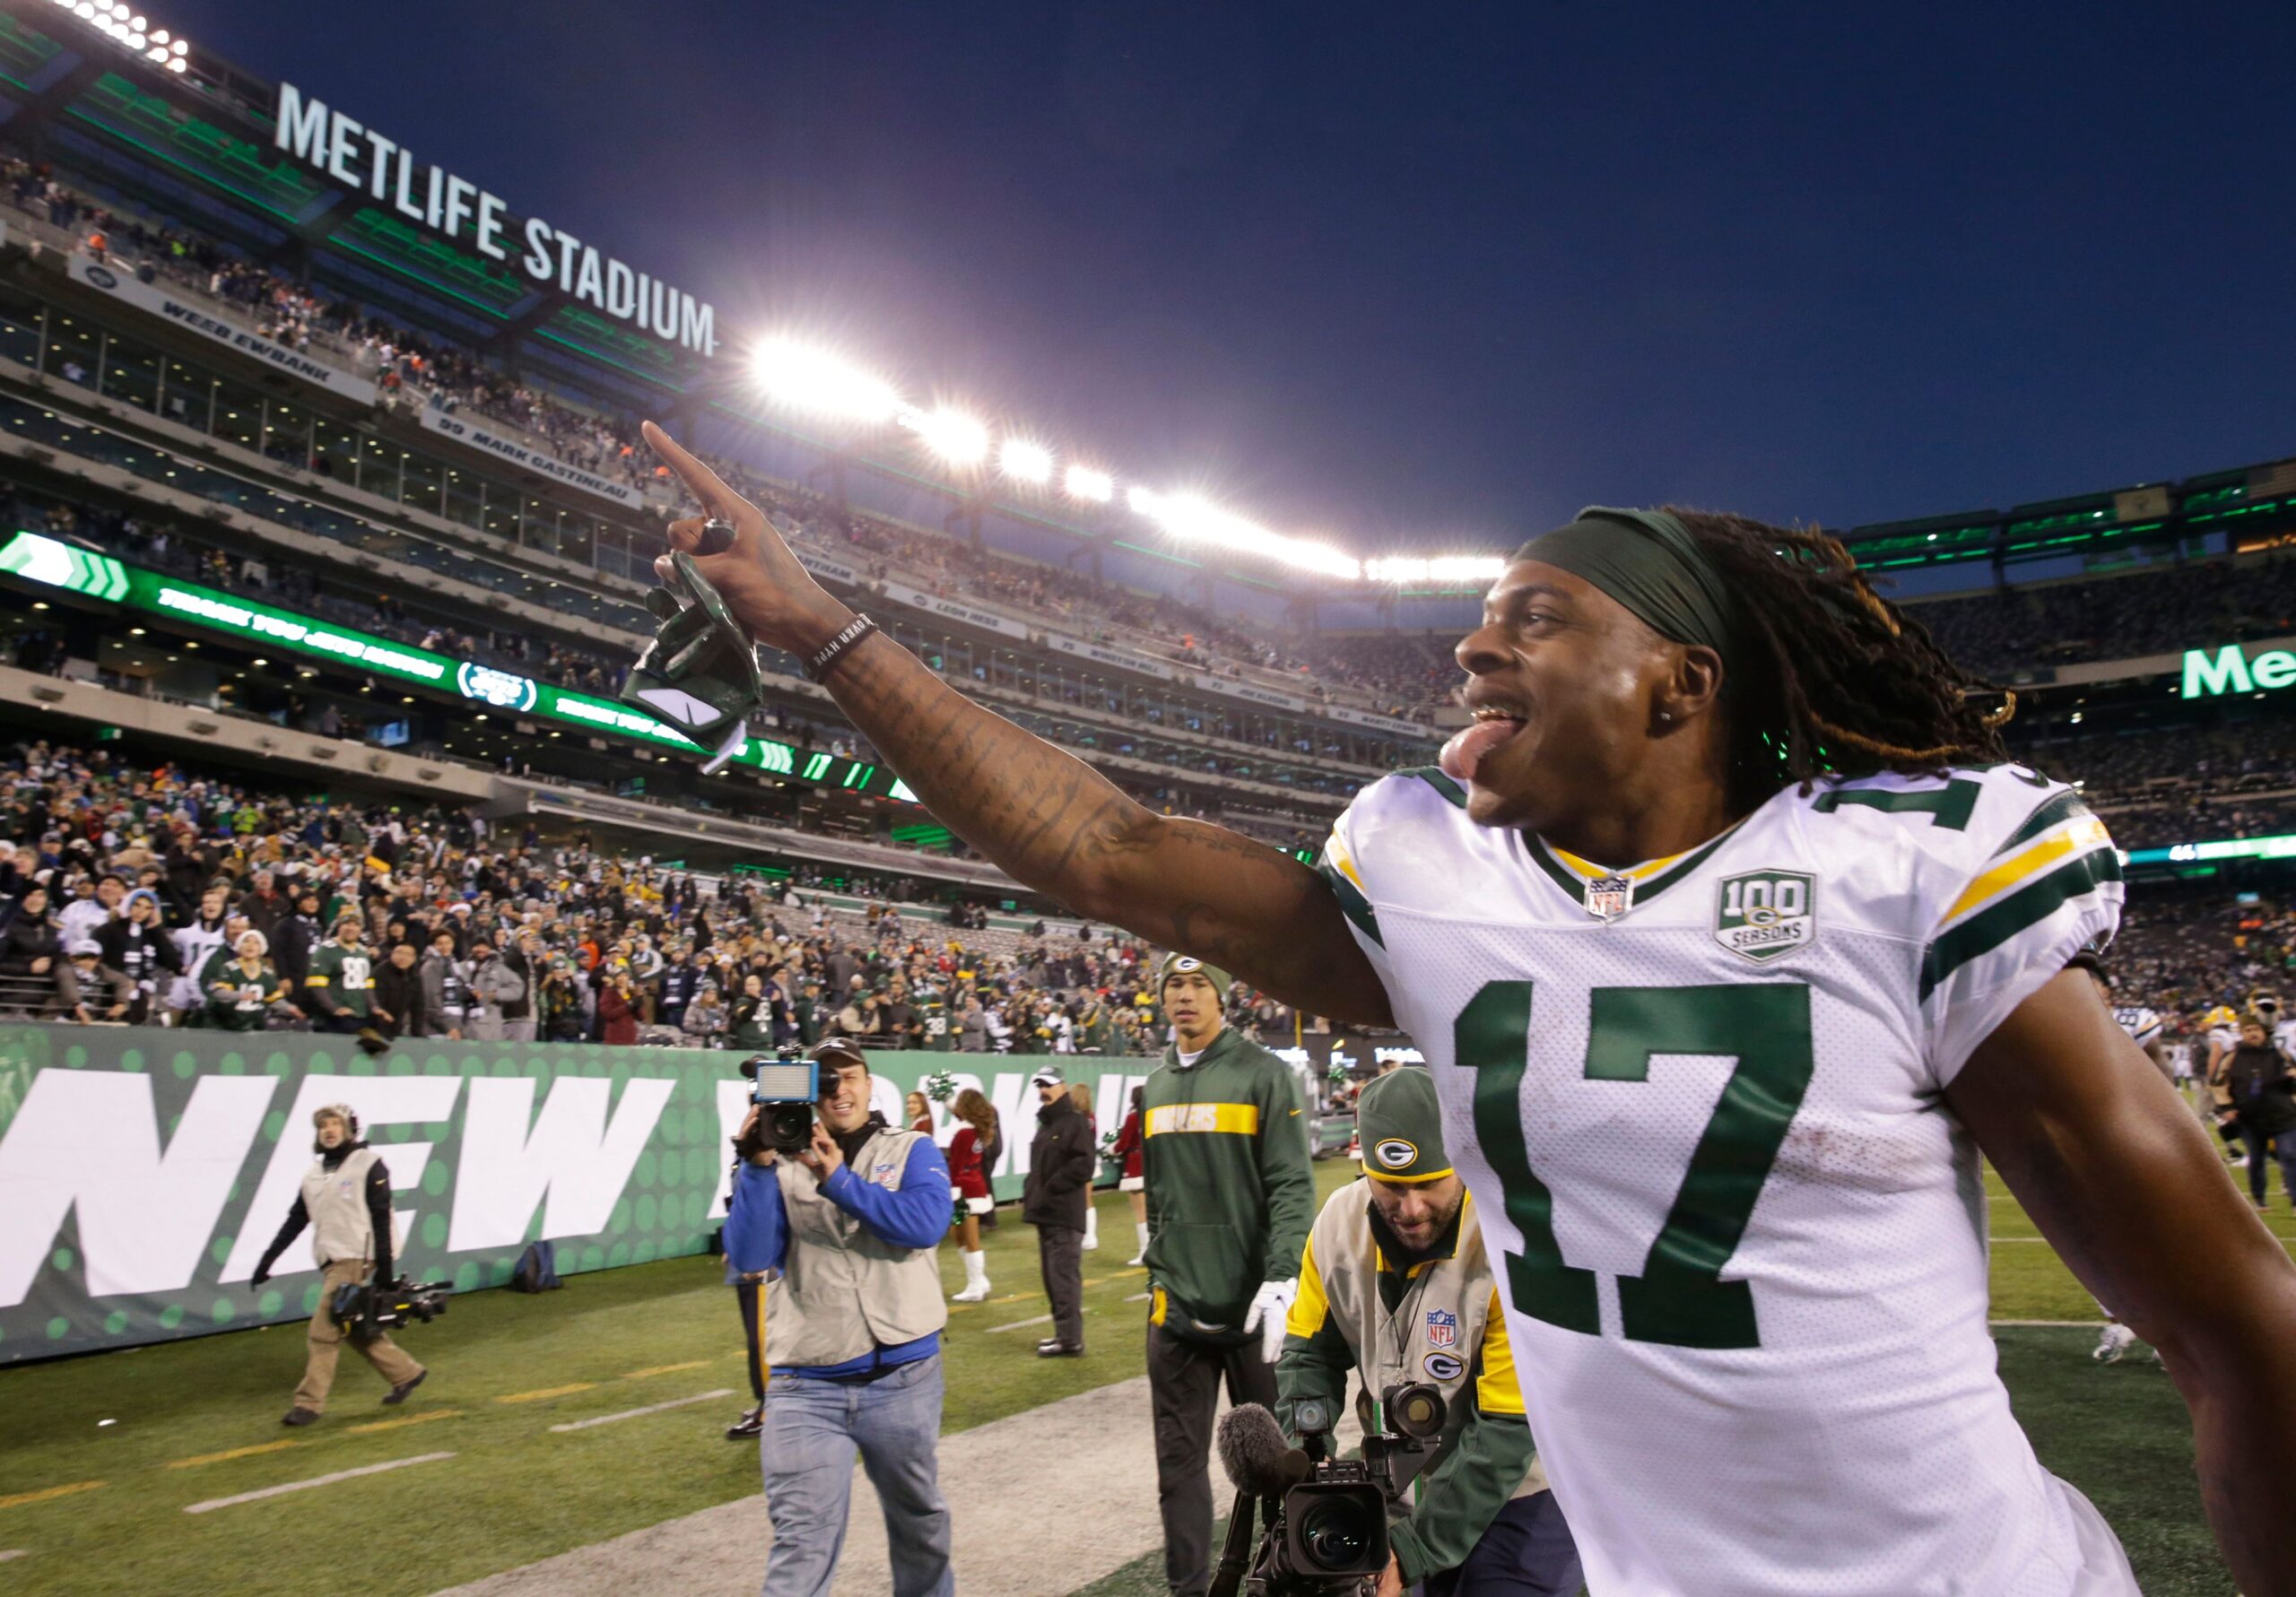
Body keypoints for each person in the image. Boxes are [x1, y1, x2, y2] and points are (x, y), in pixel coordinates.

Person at [639, 429, 2296, 1594]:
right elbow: (1110, 848)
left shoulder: (1902, 874)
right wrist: (825, 629)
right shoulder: (1435, 883)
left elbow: (2239, 1330)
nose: (1467, 646)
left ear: (1679, 685)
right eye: (1482, 613)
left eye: (1534, 617)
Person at [1279, 1067, 1581, 1597]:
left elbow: (1507, 1432)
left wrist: (1414, 1551)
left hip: (1525, 1491)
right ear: (1363, 1166)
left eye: (1429, 1184)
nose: (1411, 1208)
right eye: (1392, 1186)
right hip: (1402, 1481)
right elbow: (1308, 1356)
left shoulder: (1511, 1242)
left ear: (1465, 1164)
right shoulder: (1336, 1225)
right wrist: (1308, 1456)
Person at [722, 1039, 954, 1597]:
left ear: (871, 1085)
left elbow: (923, 1225)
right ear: (806, 1094)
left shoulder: (912, 1148)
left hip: (904, 1377)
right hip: (807, 1384)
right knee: (802, 1543)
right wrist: (753, 1165)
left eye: (849, 1077)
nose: (839, 1090)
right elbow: (751, 1259)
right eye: (825, 1083)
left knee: (920, 1525)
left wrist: (840, 1181)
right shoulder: (772, 1164)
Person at [1136, 952, 1316, 1595]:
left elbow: (1293, 1184)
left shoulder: (1262, 1074)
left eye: (1198, 983)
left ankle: (1282, 1581)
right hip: (1176, 1308)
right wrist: (1159, 1262)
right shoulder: (1153, 1085)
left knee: (1277, 1465)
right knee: (1177, 1468)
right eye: (1174, 984)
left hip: (1252, 1309)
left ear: (1223, 995)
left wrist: (1282, 1274)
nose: (1185, 995)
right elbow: (1158, 1195)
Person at [249, 1104, 426, 1425]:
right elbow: (296, 1220)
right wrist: (267, 1260)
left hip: (356, 1259)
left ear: (350, 1129)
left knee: (323, 1332)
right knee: (356, 1326)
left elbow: (381, 1218)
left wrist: (384, 1273)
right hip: (333, 1262)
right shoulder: (313, 1175)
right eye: (322, 1126)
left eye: (335, 1124)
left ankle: (308, 1405)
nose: (328, 1130)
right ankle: (406, 1373)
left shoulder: (369, 1164)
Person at [1022, 1063, 1094, 1357]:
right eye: (1039, 1085)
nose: (1043, 1090)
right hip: (1047, 1214)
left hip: (1063, 1215)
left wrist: (1051, 1187)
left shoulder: (1074, 1122)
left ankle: (1070, 1340)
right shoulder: (1049, 1125)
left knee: (1063, 1279)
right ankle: (1063, 1335)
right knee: (1053, 1280)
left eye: (1048, 1084)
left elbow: (1084, 1165)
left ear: (1063, 1086)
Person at [2219, 1017, 2296, 1211]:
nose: (2252, 1033)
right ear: (2242, 1034)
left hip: (2283, 1115)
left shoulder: (2280, 1055)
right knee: (2256, 1159)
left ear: (2264, 1032)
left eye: (2256, 1029)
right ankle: (2259, 1199)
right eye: (2248, 1030)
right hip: (2249, 1118)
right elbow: (2218, 1084)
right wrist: (2227, 1108)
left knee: (2290, 1155)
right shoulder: (2232, 1057)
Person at [945, 1088, 999, 1303]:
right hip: (973, 1186)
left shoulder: (964, 1133)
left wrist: (952, 1191)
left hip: (964, 1191)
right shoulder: (975, 1130)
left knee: (970, 1238)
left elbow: (956, 1165)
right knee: (956, 1232)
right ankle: (980, 1280)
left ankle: (975, 1285)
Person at [305, 914, 376, 1034]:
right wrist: (334, 1009)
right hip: (334, 1019)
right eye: (347, 924)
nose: (351, 928)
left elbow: (367, 985)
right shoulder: (326, 950)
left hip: (360, 1015)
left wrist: (374, 1007)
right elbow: (316, 985)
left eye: (356, 925)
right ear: (339, 927)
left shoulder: (362, 951)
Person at [204, 930, 283, 1032]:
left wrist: (291, 1009)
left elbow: (274, 999)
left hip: (255, 1024)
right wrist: (240, 995)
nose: (250, 945)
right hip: (228, 1023)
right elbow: (218, 993)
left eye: (256, 942)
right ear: (239, 946)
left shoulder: (267, 972)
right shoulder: (229, 967)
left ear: (261, 948)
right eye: (246, 941)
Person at [1112, 1084, 1148, 1265]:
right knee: (1152, 1212)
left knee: (1140, 1213)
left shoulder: (1133, 1117)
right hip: (1151, 1165)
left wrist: (1111, 1148)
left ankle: (1145, 1251)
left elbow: (1123, 1144)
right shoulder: (1151, 1115)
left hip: (1135, 1166)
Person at [1068, 1080, 1100, 1252]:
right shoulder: (1091, 1117)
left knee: (1084, 1199)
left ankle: (1089, 1236)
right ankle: (1088, 1236)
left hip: (1078, 1162)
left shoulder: (1075, 1119)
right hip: (1090, 1160)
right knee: (1086, 1199)